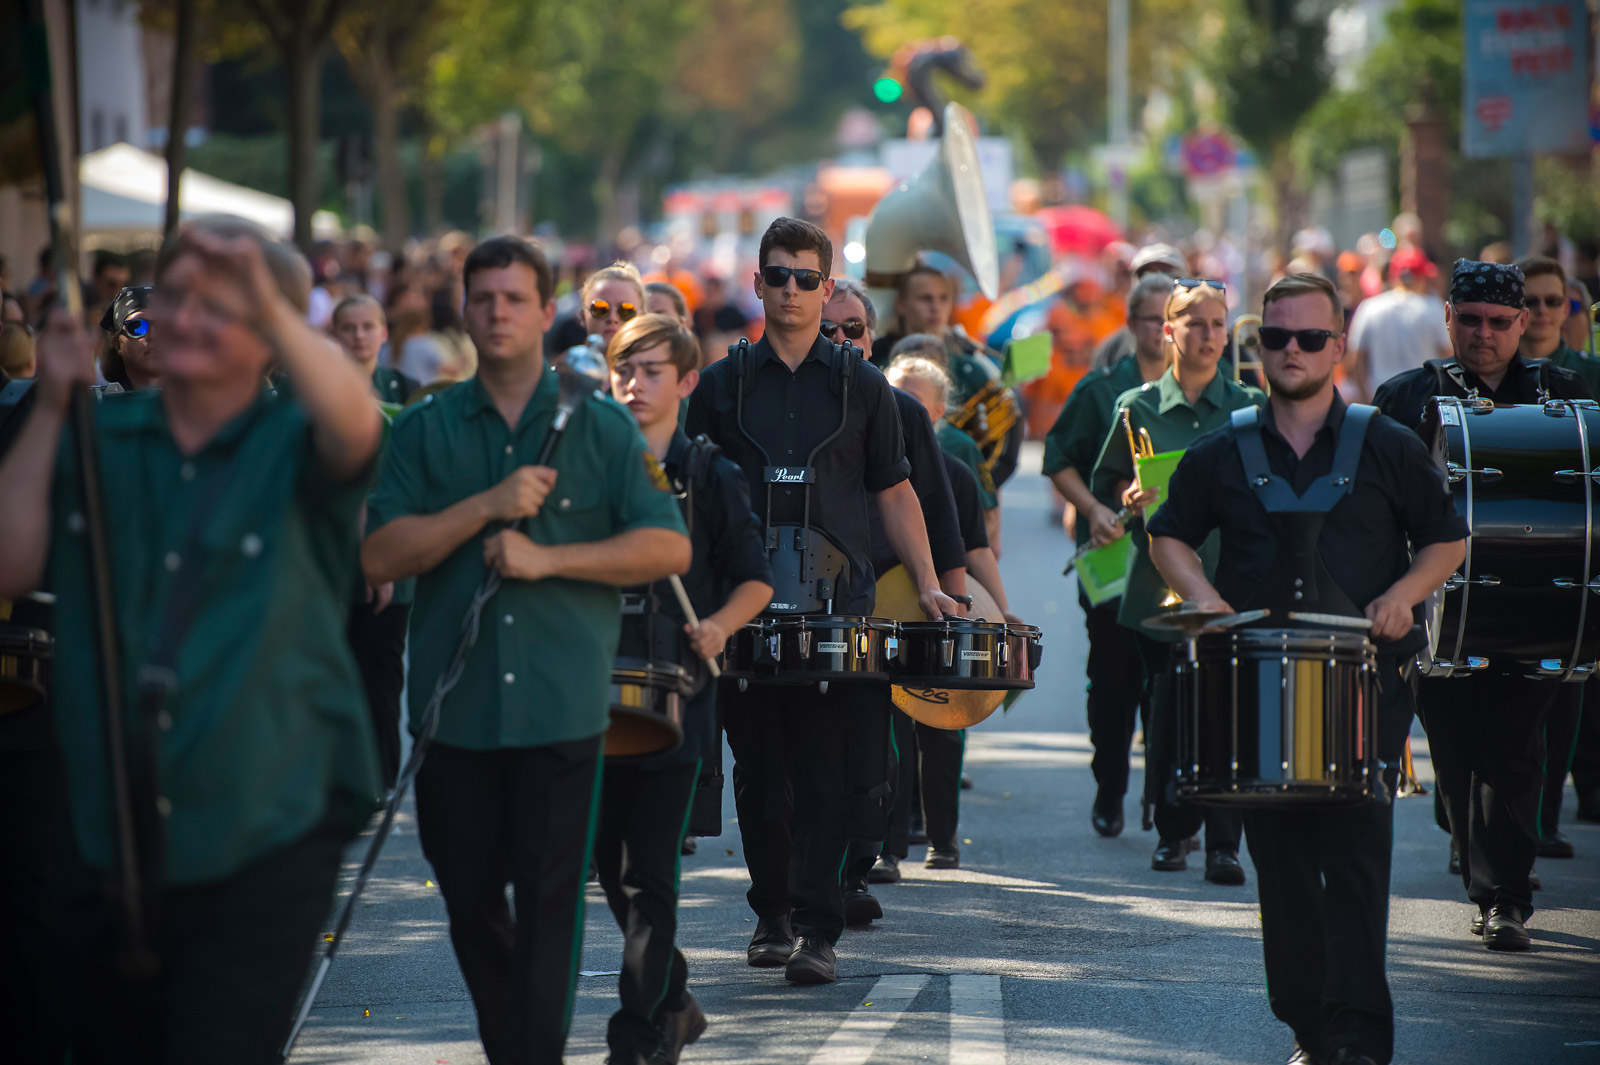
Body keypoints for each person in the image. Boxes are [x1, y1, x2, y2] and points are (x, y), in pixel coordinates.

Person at [0, 215, 384, 1063]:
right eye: (174, 299)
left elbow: (356, 426)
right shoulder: (101, 439)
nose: (187, 319)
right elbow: (10, 557)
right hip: (109, 830)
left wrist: (272, 297)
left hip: (265, 827)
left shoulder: (294, 441)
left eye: (224, 304)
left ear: (270, 332)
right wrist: (52, 400)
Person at [362, 235, 692, 1064]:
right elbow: (378, 554)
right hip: (455, 711)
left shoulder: (603, 425)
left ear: (546, 312)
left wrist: (549, 558)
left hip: (560, 706)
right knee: (470, 899)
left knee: (551, 905)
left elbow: (666, 547)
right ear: (465, 311)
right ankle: (519, 1043)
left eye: (516, 298)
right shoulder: (427, 427)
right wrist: (486, 508)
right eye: (485, 298)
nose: (499, 311)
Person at [1148, 271, 1467, 1065]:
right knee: (1283, 868)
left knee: (1356, 861)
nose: (1292, 351)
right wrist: (1205, 597)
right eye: (1277, 337)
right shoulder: (1223, 448)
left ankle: (1358, 1039)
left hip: (1367, 683)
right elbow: (1168, 534)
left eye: (1311, 337)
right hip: (1256, 682)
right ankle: (1308, 1026)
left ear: (1340, 342)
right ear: (1258, 347)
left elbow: (1447, 538)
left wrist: (1402, 595)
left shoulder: (1387, 444)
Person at [687, 217, 959, 985]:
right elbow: (690, 487)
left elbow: (896, 492)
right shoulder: (719, 386)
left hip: (839, 608)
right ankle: (771, 912)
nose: (793, 291)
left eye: (808, 278)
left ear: (829, 286)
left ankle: (816, 927)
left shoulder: (864, 385)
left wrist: (932, 582)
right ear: (758, 283)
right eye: (779, 275)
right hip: (745, 609)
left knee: (826, 771)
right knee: (760, 769)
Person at [1374, 258, 1591, 951]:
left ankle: (1505, 898)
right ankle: (1473, 844)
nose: (1484, 334)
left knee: (1513, 749)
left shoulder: (1564, 394)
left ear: (1524, 323)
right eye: (1469, 319)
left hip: (1536, 605)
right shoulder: (1406, 397)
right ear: (1448, 319)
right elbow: (1374, 507)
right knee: (1457, 752)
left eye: (1500, 322)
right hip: (1434, 613)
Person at [599, 313, 772, 1065]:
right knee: (611, 869)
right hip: (596, 696)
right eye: (624, 371)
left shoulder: (711, 473)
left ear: (687, 382)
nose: (635, 385)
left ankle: (639, 1035)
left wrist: (719, 626)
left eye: (652, 371)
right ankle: (671, 993)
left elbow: (756, 579)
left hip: (678, 699)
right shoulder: (595, 468)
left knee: (651, 874)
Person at [1090, 277, 1262, 883]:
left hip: (1231, 578)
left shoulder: (1250, 407)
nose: (1211, 335)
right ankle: (1173, 829)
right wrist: (1126, 495)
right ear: (1169, 332)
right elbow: (1106, 480)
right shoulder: (1134, 406)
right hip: (1156, 581)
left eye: (1219, 324)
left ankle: (1224, 842)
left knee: (1229, 711)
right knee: (1167, 707)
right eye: (1197, 324)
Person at [823, 277, 967, 911]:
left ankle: (863, 862)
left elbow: (939, 516)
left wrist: (952, 609)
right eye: (828, 330)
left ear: (871, 338)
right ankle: (793, 889)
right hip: (801, 600)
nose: (839, 340)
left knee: (875, 736)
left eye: (851, 329)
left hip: (886, 601)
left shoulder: (904, 412)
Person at [1043, 271, 1174, 837]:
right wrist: (1093, 510)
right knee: (1115, 679)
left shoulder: (1200, 391)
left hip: (1178, 563)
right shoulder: (1100, 391)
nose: (1165, 331)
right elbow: (1057, 458)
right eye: (1154, 319)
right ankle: (1111, 788)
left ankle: (1165, 799)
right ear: (1132, 325)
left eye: (1176, 319)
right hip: (1111, 558)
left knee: (1170, 682)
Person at [885, 353, 1022, 871]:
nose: (900, 410)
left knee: (942, 727)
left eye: (914, 401)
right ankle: (889, 849)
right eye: (893, 395)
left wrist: (1001, 610)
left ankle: (943, 838)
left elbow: (975, 549)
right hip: (886, 614)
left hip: (944, 609)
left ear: (938, 412)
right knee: (889, 733)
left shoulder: (957, 474)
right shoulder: (865, 465)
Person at [870, 261, 1022, 492]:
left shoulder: (971, 366)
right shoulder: (874, 360)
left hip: (957, 489)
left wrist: (981, 486)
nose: (936, 308)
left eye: (944, 298)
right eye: (925, 298)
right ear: (901, 305)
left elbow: (1010, 433)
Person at [1343, 247, 1451, 402]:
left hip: (1380, 400)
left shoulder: (1369, 307)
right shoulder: (1434, 308)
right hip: (1423, 403)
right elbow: (1448, 358)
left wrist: (1368, 401)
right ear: (1420, 278)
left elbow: (1355, 360)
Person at [1089, 243, 1188, 371]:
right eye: (1148, 276)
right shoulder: (1112, 351)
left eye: (1170, 276)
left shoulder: (1203, 346)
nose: (1160, 284)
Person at [333, 293, 419, 407]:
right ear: (335, 336)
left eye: (368, 327)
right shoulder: (319, 387)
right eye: (348, 328)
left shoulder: (406, 388)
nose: (359, 335)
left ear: (384, 333)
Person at [98, 286, 160, 391]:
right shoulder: (101, 404)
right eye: (137, 326)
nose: (153, 336)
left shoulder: (194, 402)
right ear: (117, 344)